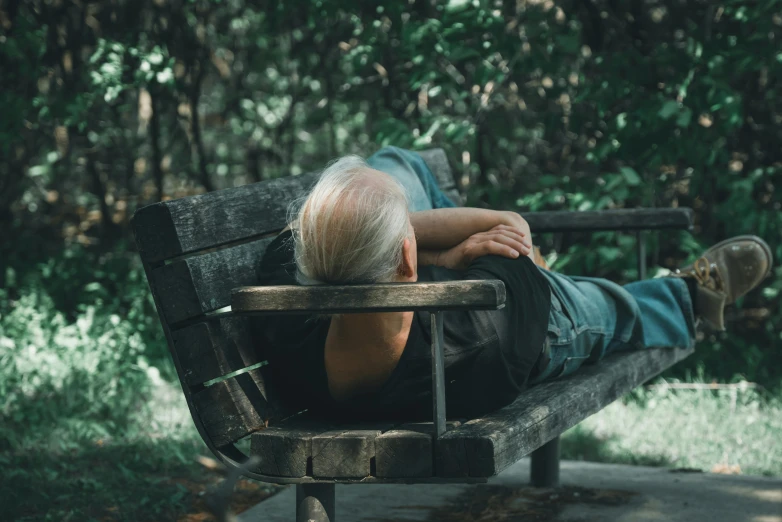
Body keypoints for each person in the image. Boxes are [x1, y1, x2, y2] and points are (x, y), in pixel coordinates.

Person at [253, 147, 773, 421]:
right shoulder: (478, 334)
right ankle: (684, 296)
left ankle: (410, 196)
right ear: (406, 258)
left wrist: (442, 249)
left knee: (397, 163)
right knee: (603, 308)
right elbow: (513, 242)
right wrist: (491, 225)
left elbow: (299, 239)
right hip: (540, 321)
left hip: (432, 286)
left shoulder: (290, 281)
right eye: (409, 230)